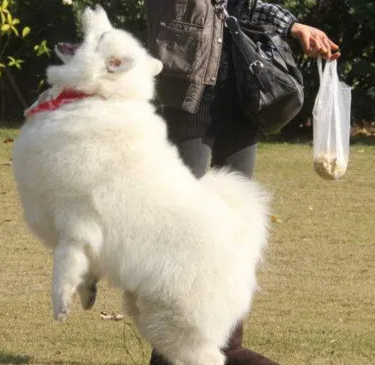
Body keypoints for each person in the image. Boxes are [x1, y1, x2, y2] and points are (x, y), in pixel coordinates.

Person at [142, 1, 340, 364]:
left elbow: (245, 5)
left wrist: (295, 27)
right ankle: (170, 350)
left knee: (236, 228)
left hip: (243, 98)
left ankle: (227, 344)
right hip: (190, 93)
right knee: (184, 233)